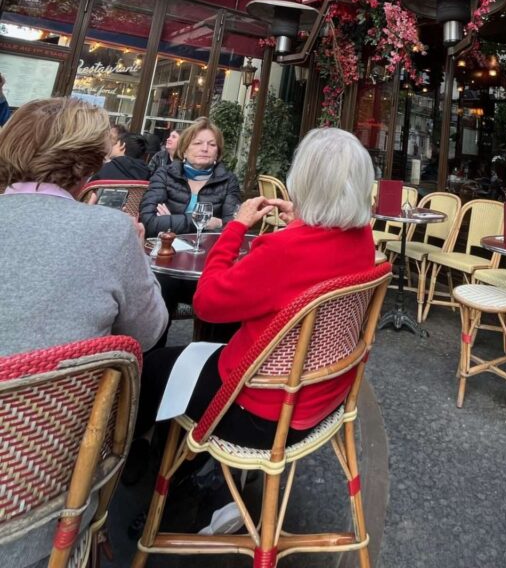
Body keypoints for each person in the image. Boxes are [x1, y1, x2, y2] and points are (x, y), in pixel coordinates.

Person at [135, 127, 377, 449]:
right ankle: (184, 464)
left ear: (303, 180)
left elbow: (206, 304)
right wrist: (302, 221)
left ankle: (143, 464)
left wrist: (234, 228)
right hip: (325, 396)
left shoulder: (284, 250)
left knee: (154, 366)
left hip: (259, 409)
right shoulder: (363, 240)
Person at [0, 98, 168, 356]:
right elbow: (147, 333)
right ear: (91, 162)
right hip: (64, 395)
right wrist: (137, 252)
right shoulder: (112, 230)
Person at [140, 119, 240, 238]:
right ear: (184, 150)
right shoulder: (164, 174)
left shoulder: (228, 181)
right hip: (166, 248)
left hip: (207, 250)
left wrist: (170, 221)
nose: (204, 148)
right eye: (197, 143)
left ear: (217, 153)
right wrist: (201, 221)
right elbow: (149, 222)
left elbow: (232, 227)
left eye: (212, 144)